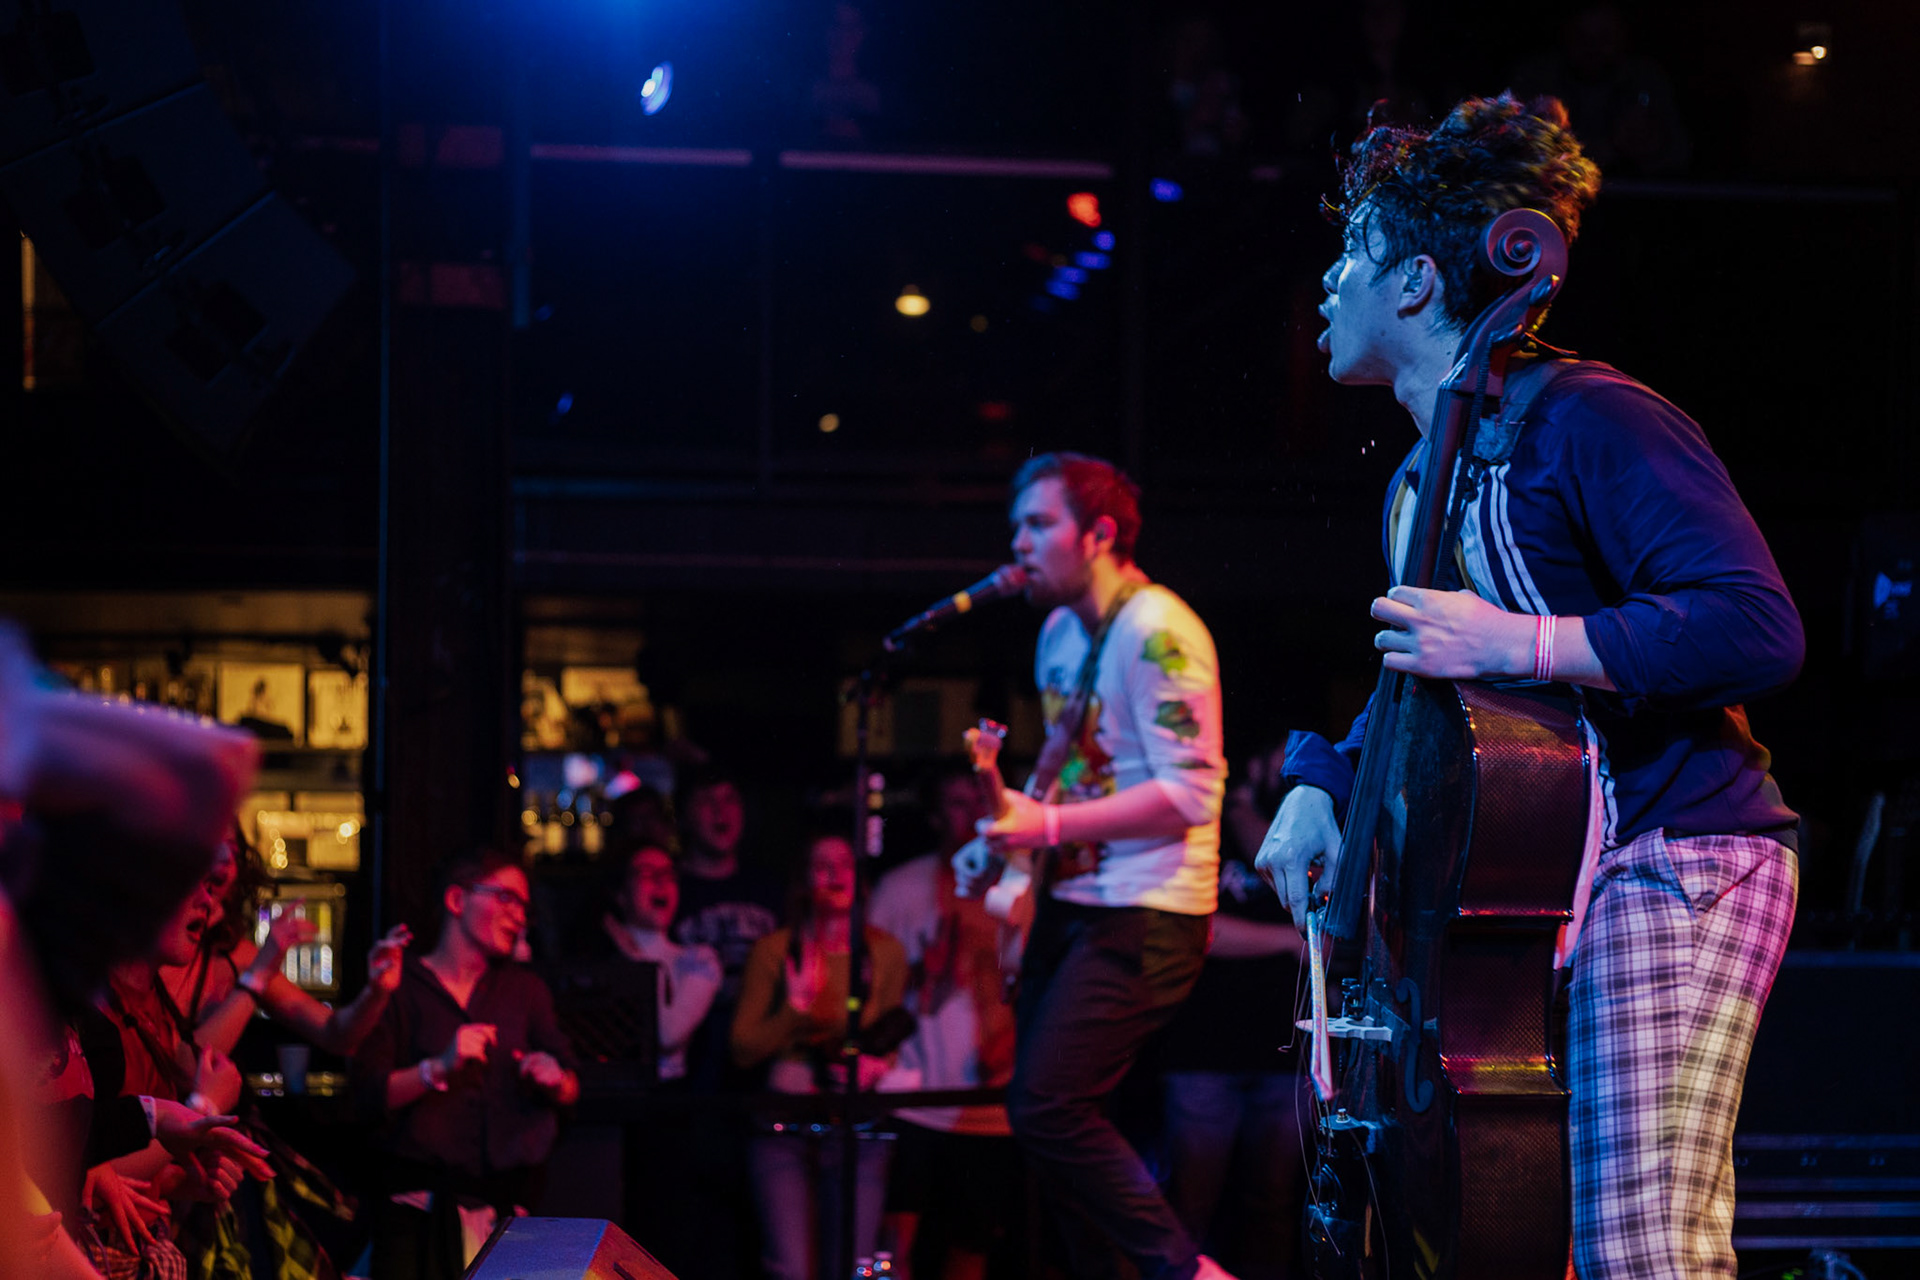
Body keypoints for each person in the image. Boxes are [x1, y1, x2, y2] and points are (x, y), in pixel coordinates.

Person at [1256, 93, 1802, 1279]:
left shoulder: (1593, 418)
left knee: (1640, 1246)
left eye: (1352, 255)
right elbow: (1431, 676)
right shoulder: (1422, 473)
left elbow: (1755, 624)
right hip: (1548, 886)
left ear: (1415, 283)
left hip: (1679, 853)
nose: (1326, 284)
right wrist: (1326, 782)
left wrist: (1524, 642)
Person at [956, 452, 1232, 1280]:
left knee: (1045, 1106)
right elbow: (1073, 765)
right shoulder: (1059, 636)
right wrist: (1005, 832)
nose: (1019, 542)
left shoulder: (1159, 631)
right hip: (1079, 899)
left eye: (1039, 523)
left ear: (1099, 534)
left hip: (1152, 908)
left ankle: (1184, 1271)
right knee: (1057, 1130)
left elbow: (1192, 793)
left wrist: (1046, 824)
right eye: (1018, 525)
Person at [351, 849, 579, 1280]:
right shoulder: (402, 986)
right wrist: (437, 1068)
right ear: (457, 900)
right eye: (506, 898)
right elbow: (366, 1096)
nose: (518, 916)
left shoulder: (524, 990)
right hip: (416, 1214)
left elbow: (572, 1083)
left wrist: (556, 1079)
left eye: (524, 906)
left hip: (508, 1217)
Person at [731, 832, 908, 1280]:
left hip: (858, 1129)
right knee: (792, 1268)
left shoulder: (884, 952)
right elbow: (743, 1049)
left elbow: (894, 1035)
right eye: (822, 865)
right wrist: (794, 1009)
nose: (835, 874)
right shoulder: (774, 950)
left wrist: (877, 1065)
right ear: (803, 879)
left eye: (845, 863)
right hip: (784, 1128)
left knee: (853, 1266)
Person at [1157, 744, 1304, 1280]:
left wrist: (1248, 816)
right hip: (1204, 1051)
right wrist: (1289, 942)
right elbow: (1201, 931)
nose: (1285, 773)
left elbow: (1308, 904)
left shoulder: (1303, 829)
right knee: (1190, 1207)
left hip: (1283, 1052)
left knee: (1273, 1206)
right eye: (1276, 760)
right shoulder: (1200, 831)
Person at [869, 767, 1019, 1280]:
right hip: (915, 1101)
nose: (972, 815)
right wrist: (921, 976)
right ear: (934, 816)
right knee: (893, 1247)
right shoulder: (900, 888)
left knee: (971, 1248)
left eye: (979, 802)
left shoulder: (1019, 887)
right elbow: (869, 990)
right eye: (957, 803)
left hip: (990, 1106)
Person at [162, 828, 411, 1059]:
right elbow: (182, 1066)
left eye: (234, 850)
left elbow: (335, 1034)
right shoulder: (148, 947)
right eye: (215, 844)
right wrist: (257, 976)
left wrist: (376, 992)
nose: (227, 858)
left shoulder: (236, 956)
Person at [669, 767, 784, 1091]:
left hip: (760, 1063)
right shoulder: (668, 893)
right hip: (693, 1068)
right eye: (707, 801)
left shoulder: (769, 889)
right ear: (684, 816)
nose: (721, 811)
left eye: (730, 799)